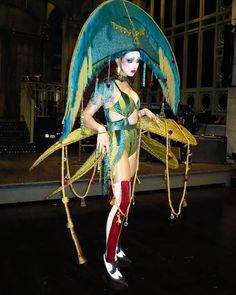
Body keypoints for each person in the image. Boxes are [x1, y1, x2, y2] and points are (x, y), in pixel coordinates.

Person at [83, 50, 159, 290]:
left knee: (125, 198)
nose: (135, 65)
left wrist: (142, 112)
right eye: (130, 59)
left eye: (138, 60)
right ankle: (109, 259)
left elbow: (130, 112)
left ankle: (115, 246)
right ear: (117, 60)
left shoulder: (129, 87)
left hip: (134, 142)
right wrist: (101, 129)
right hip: (117, 143)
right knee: (122, 200)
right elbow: (85, 115)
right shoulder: (107, 86)